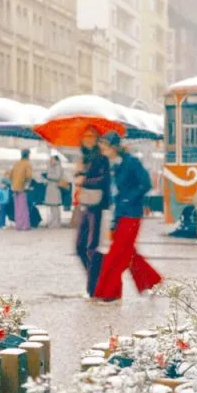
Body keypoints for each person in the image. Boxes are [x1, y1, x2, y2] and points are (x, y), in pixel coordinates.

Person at [92, 132, 162, 304]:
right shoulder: (112, 165)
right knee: (128, 252)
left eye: (105, 147)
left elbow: (145, 183)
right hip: (119, 214)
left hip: (131, 214)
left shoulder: (131, 162)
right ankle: (152, 281)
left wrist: (128, 197)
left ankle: (111, 293)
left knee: (116, 254)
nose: (103, 150)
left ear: (114, 147)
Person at [74, 127, 112, 297]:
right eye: (85, 136)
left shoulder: (102, 158)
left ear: (96, 139)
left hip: (97, 205)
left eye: (91, 136)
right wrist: (78, 173)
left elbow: (105, 181)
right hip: (85, 203)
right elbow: (77, 178)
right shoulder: (83, 158)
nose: (87, 139)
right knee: (80, 246)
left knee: (92, 248)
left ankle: (93, 288)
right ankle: (96, 279)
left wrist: (85, 180)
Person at [10, 149, 34, 231]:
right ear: (28, 155)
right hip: (22, 188)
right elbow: (29, 176)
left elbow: (10, 175)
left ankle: (18, 225)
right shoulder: (27, 164)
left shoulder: (16, 164)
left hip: (14, 188)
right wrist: (27, 185)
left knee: (17, 208)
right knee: (23, 208)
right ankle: (25, 226)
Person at [43, 155, 64, 229]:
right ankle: (54, 222)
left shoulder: (58, 167)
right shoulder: (52, 166)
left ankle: (56, 223)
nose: (50, 161)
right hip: (51, 188)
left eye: (52, 159)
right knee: (53, 206)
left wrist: (48, 175)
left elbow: (57, 176)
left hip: (54, 188)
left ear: (56, 160)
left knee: (55, 206)